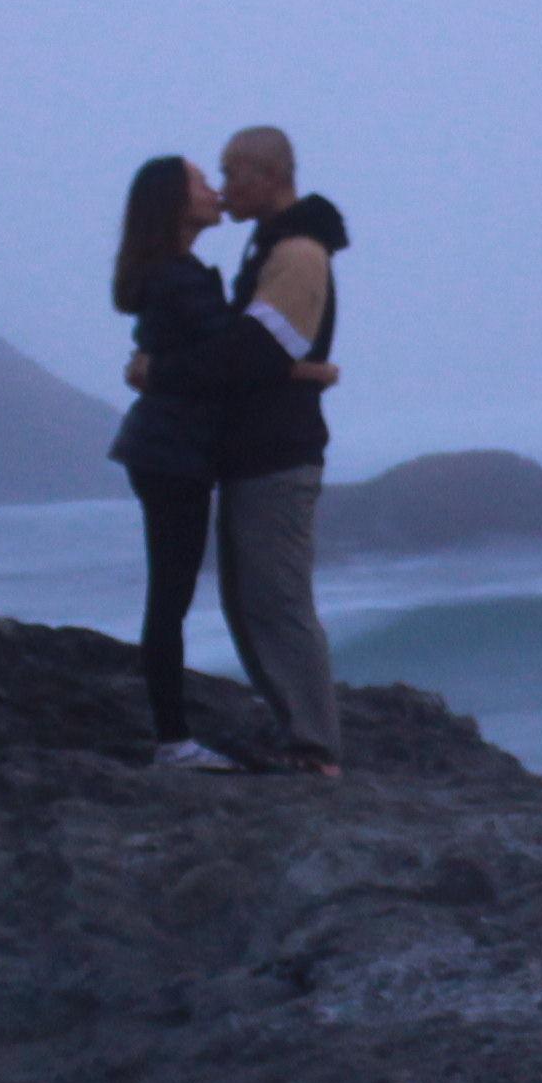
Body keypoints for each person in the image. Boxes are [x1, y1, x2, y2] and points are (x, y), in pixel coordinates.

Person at [207, 124, 350, 776]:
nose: (224, 187)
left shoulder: (296, 251)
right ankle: (297, 732)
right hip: (257, 447)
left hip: (279, 450)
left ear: (271, 176)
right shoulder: (271, 246)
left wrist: (176, 362)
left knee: (278, 598)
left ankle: (314, 746)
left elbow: (259, 351)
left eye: (234, 173)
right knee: (250, 597)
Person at [107, 152, 245, 767]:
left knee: (173, 592)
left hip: (164, 449)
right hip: (171, 452)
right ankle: (173, 740)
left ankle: (174, 734)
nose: (215, 190)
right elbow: (231, 358)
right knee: (170, 596)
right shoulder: (177, 278)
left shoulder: (172, 272)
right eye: (200, 182)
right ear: (173, 202)